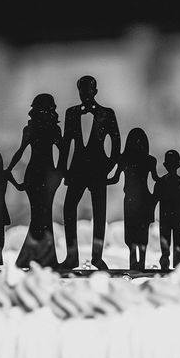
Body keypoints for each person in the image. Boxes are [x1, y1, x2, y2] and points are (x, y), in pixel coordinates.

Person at [58, 76, 121, 269]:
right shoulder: (71, 113)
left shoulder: (107, 113)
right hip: (76, 169)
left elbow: (116, 142)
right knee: (69, 209)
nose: (85, 93)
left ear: (95, 91)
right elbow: (65, 143)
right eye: (82, 89)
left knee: (99, 214)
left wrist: (109, 166)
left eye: (89, 89)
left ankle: (97, 257)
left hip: (98, 170)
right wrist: (63, 169)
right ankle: (71, 256)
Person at [7, 94, 63, 268]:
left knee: (43, 215)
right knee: (39, 215)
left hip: (46, 175)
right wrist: (8, 169)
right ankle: (40, 257)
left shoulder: (52, 130)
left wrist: (60, 172)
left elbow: (63, 151)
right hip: (39, 175)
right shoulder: (31, 129)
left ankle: (37, 256)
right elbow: (21, 151)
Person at [108, 128, 159, 270]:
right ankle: (138, 263)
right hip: (142, 198)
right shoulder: (148, 160)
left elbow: (114, 179)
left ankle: (137, 263)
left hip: (133, 200)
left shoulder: (125, 159)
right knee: (139, 232)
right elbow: (156, 179)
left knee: (134, 232)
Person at [153, 150, 180, 270]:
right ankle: (168, 261)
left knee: (173, 242)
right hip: (171, 218)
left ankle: (173, 261)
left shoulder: (162, 182)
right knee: (168, 242)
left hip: (169, 218)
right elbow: (155, 200)